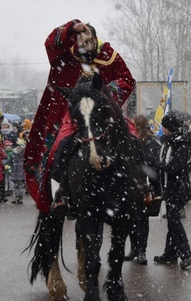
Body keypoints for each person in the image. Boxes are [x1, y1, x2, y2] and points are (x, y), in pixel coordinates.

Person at [23, 19, 136, 215]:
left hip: (104, 112)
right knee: (59, 144)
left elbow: (127, 80)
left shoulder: (109, 56)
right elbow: (51, 44)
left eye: (88, 41)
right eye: (80, 42)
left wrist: (105, 94)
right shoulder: (67, 54)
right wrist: (70, 28)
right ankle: (58, 194)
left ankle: (146, 189)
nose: (85, 47)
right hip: (74, 114)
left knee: (133, 136)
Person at [154, 111, 191, 269]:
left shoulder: (182, 142)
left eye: (164, 127)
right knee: (172, 223)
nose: (162, 130)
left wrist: (159, 165)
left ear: (170, 127)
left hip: (178, 188)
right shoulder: (170, 141)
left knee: (174, 222)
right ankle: (170, 254)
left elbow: (177, 167)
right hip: (170, 187)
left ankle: (187, 254)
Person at [125, 114, 162, 265]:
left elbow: (151, 163)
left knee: (141, 220)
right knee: (130, 220)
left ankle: (141, 251)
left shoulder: (150, 141)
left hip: (144, 186)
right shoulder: (133, 139)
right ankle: (134, 248)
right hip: (132, 185)